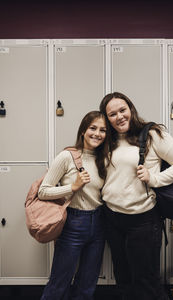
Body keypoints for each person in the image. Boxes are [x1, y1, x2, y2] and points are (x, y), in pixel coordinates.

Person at [99, 92, 173, 300]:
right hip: (112, 218)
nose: (119, 117)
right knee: (123, 278)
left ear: (131, 109)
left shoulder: (152, 134)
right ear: (106, 118)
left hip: (142, 220)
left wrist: (155, 179)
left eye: (122, 110)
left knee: (145, 281)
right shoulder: (108, 140)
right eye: (112, 114)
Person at [39, 111, 109, 300]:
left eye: (103, 130)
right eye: (93, 128)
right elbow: (43, 191)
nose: (97, 133)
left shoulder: (104, 159)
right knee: (59, 283)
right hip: (73, 223)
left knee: (87, 285)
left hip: (99, 223)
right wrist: (73, 186)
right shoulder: (67, 156)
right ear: (83, 131)